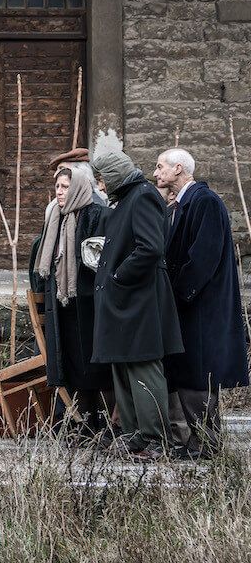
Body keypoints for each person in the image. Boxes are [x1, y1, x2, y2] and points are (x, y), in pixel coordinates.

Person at [154, 148, 250, 459]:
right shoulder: (188, 202)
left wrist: (178, 294)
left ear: (178, 169)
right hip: (192, 307)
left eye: (160, 167)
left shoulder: (204, 201)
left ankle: (205, 445)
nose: (155, 173)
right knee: (190, 373)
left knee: (198, 374)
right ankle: (198, 443)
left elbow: (202, 258)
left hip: (200, 309)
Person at [89, 151, 184, 460]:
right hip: (125, 301)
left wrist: (118, 276)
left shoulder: (142, 196)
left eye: (102, 179)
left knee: (143, 366)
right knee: (124, 365)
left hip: (139, 301)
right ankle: (134, 434)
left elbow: (150, 248)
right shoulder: (127, 199)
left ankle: (155, 438)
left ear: (114, 175)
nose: (100, 187)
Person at [35, 167, 113, 438]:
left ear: (79, 188)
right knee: (71, 364)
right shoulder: (55, 217)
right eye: (57, 186)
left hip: (90, 305)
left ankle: (100, 423)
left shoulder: (98, 215)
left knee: (93, 365)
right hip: (63, 304)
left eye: (65, 187)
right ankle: (79, 423)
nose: (59, 192)